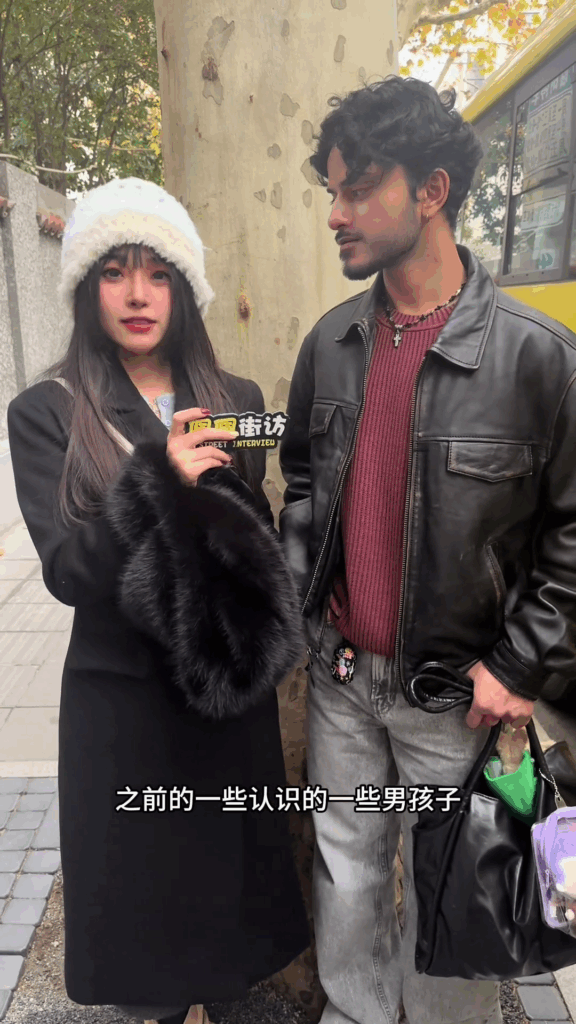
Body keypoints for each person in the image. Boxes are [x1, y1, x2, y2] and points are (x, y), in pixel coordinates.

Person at [279, 75, 576, 1024]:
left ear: (433, 190)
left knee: (456, 891)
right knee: (348, 870)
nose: (337, 213)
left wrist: (521, 666)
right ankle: (357, 1013)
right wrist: (304, 608)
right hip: (342, 679)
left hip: (460, 692)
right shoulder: (330, 344)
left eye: (359, 187)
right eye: (332, 190)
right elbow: (302, 484)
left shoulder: (538, 357)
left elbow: (573, 533)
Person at [7, 177, 309, 1024]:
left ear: (184, 288)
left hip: (222, 696)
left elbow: (256, 535)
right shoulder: (46, 412)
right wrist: (158, 478)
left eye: (157, 273)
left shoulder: (235, 399)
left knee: (222, 912)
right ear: (85, 288)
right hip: (124, 708)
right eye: (114, 271)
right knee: (145, 925)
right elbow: (68, 572)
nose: (137, 294)